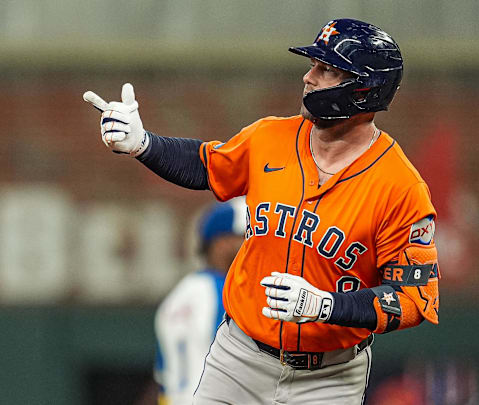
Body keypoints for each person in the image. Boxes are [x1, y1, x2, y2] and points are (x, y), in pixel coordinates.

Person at [85, 17, 440, 405]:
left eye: (326, 70)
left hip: (330, 376)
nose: (308, 77)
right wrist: (143, 144)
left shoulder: (401, 187)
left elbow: (413, 299)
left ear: (362, 88)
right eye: (313, 66)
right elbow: (206, 164)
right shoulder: (271, 137)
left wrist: (325, 305)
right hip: (239, 356)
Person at [153, 198, 246, 405]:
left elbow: (163, 377)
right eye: (244, 237)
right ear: (221, 243)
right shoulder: (228, 292)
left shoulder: (178, 296)